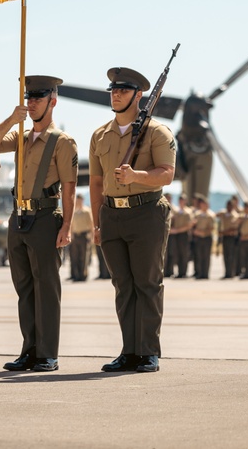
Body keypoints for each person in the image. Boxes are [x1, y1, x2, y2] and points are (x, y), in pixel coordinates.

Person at [0, 75, 77, 373]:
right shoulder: (21, 137)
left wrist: (67, 226)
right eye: (29, 98)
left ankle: (48, 353)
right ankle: (30, 350)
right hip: (19, 218)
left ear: (53, 101)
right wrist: (12, 118)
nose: (32, 103)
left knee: (46, 289)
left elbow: (70, 188)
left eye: (38, 98)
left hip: (47, 218)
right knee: (24, 289)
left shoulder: (62, 142)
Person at [88, 67, 175, 374]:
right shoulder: (101, 134)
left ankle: (148, 351)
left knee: (147, 284)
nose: (116, 94)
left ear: (139, 95)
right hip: (112, 214)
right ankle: (129, 351)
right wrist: (97, 222)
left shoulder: (158, 132)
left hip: (146, 212)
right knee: (123, 286)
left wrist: (136, 176)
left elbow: (167, 172)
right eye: (113, 90)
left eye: (123, 90)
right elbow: (96, 183)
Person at [166, 194, 193, 278]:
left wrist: (177, 230)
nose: (181, 202)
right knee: (176, 254)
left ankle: (183, 272)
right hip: (176, 235)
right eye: (180, 200)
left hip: (183, 234)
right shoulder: (177, 212)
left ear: (185, 201)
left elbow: (189, 225)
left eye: (182, 200)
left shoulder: (188, 212)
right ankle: (179, 272)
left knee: (184, 254)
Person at [69, 195, 93, 282]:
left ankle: (83, 275)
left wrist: (91, 236)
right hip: (75, 235)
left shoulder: (86, 211)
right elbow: (71, 225)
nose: (78, 202)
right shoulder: (74, 212)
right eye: (77, 200)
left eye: (79, 200)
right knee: (75, 256)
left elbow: (91, 224)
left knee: (83, 256)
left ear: (82, 200)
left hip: (84, 235)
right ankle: (76, 275)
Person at [190, 195, 215, 280]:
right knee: (199, 255)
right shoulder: (198, 214)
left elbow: (212, 228)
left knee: (206, 256)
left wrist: (202, 232)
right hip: (199, 238)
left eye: (205, 204)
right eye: (202, 204)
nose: (203, 206)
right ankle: (199, 273)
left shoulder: (210, 215)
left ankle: (205, 274)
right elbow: (194, 225)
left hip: (207, 237)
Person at [217, 198, 240, 279]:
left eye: (230, 205)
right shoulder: (224, 214)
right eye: (227, 205)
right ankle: (227, 272)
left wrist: (223, 232)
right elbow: (216, 215)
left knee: (231, 255)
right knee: (226, 255)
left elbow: (234, 228)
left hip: (231, 237)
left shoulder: (235, 216)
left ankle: (231, 273)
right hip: (225, 237)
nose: (228, 207)